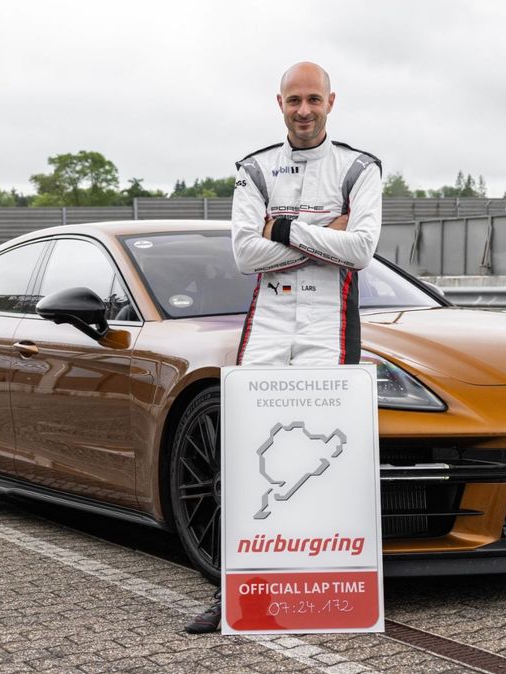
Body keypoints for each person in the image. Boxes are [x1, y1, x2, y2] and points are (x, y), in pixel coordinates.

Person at [184, 61, 382, 634]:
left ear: (331, 102)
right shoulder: (254, 169)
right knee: (249, 457)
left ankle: (326, 591)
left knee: (330, 456)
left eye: (313, 99)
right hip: (267, 322)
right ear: (279, 104)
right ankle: (237, 592)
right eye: (294, 100)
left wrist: (284, 229)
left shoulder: (360, 168)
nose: (303, 110)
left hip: (328, 322)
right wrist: (327, 236)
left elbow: (363, 248)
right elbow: (245, 255)